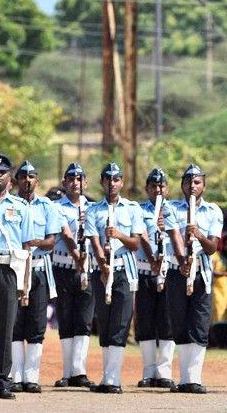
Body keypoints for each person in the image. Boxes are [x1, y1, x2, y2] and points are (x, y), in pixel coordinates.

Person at [85, 162, 144, 394]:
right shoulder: (93, 210)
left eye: (117, 179)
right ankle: (106, 377)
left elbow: (136, 243)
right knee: (106, 323)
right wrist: (102, 266)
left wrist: (118, 234)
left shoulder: (132, 209)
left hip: (124, 271)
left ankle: (114, 379)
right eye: (108, 179)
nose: (112, 183)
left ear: (122, 182)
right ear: (102, 182)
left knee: (120, 323)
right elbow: (94, 242)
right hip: (102, 272)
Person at [167, 164, 223, 394]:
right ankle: (183, 378)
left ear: (204, 185)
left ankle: (195, 378)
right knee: (179, 321)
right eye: (189, 182)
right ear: (182, 185)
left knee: (199, 323)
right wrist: (182, 261)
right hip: (177, 270)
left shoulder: (213, 211)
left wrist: (198, 234)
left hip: (202, 271)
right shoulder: (171, 209)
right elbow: (174, 238)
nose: (193, 186)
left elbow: (212, 248)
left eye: (197, 182)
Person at [10, 161, 61, 393]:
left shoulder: (47, 206)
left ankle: (32, 376)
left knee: (37, 323)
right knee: (14, 322)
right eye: (23, 177)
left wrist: (34, 243)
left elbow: (51, 242)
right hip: (15, 268)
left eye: (31, 177)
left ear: (37, 180)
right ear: (16, 180)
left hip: (39, 269)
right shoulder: (10, 204)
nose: (27, 181)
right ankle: (15, 375)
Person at [0, 153, 33, 399]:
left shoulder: (20, 207)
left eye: (2, 172)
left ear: (10, 177)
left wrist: (25, 282)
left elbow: (26, 247)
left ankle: (0, 381)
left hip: (8, 269)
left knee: (5, 328)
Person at [134, 168, 179, 389]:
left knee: (167, 322)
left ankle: (165, 371)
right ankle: (149, 370)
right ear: (147, 189)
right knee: (146, 322)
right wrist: (152, 257)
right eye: (153, 186)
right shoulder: (139, 210)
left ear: (167, 188)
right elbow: (140, 233)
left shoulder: (176, 211)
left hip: (169, 270)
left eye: (161, 186)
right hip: (145, 270)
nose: (158, 190)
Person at [51, 162, 95, 388]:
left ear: (85, 182)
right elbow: (66, 234)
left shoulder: (94, 207)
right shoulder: (57, 207)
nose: (75, 183)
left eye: (79, 179)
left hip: (87, 268)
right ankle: (68, 371)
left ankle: (80, 370)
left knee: (84, 320)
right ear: (64, 183)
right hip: (64, 267)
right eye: (70, 179)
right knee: (66, 317)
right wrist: (78, 256)